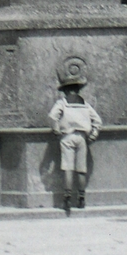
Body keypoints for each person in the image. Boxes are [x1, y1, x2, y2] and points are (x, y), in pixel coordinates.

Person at [49, 73, 102, 214]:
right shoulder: (85, 104)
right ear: (78, 90)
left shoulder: (62, 103)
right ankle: (81, 198)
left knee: (68, 167)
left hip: (67, 136)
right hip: (82, 137)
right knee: (81, 168)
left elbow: (52, 116)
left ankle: (66, 198)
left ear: (66, 90)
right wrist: (94, 134)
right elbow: (97, 121)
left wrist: (56, 130)